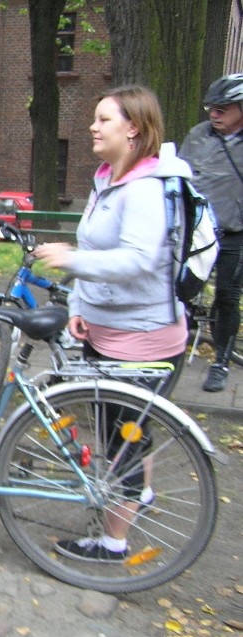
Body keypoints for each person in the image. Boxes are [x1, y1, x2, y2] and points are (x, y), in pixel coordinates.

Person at [35, 85, 191, 562]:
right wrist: (81, 307)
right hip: (109, 331)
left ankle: (113, 542)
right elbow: (99, 251)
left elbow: (138, 261)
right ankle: (136, 498)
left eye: (104, 120)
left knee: (124, 443)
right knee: (124, 434)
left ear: (134, 130)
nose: (93, 127)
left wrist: (71, 260)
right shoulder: (108, 178)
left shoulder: (144, 188)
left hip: (143, 339)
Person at [179, 73, 243, 393]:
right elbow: (179, 178)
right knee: (182, 290)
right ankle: (172, 348)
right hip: (200, 233)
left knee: (228, 299)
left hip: (236, 234)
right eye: (211, 108)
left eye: (222, 108)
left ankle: (220, 363)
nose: (214, 114)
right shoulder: (198, 136)